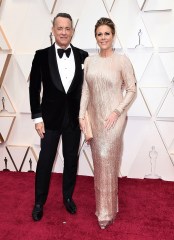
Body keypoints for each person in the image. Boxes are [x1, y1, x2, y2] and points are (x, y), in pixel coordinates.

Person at [29, 13, 88, 221]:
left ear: (72, 31)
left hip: (73, 119)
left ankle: (68, 198)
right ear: (53, 30)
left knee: (71, 160)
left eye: (67, 28)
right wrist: (37, 118)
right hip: (49, 120)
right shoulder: (41, 55)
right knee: (45, 161)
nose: (64, 32)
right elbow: (34, 88)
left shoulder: (83, 56)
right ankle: (38, 202)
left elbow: (87, 89)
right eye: (60, 28)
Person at [79, 17, 136, 229]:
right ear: (96, 36)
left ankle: (106, 211)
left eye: (107, 33)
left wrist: (117, 111)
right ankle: (107, 208)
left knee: (108, 162)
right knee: (101, 165)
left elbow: (131, 90)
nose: (103, 37)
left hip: (114, 119)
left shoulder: (122, 61)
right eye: (99, 34)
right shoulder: (90, 62)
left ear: (113, 35)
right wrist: (80, 116)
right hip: (94, 119)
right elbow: (86, 90)